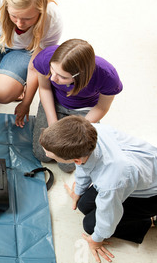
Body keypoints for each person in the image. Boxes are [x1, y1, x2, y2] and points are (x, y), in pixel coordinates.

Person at [39, 115, 157, 263]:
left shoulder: (110, 182)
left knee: (90, 226)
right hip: (135, 174)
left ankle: (151, 220)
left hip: (151, 196)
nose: (45, 154)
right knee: (83, 204)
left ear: (76, 160)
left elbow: (108, 214)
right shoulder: (89, 132)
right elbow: (83, 166)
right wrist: (78, 191)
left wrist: (96, 240)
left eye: (51, 155)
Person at [0, 0, 63, 127]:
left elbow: (35, 66)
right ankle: (7, 76)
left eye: (28, 18)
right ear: (7, 6)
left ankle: (17, 84)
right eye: (14, 16)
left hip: (24, 51)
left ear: (40, 11)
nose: (20, 23)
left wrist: (26, 102)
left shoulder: (52, 18)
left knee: (3, 94)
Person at [32, 39, 123, 172]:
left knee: (67, 164)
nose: (53, 78)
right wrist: (53, 124)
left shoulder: (107, 75)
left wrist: (75, 129)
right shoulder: (45, 57)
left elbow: (101, 107)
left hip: (85, 110)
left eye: (62, 77)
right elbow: (45, 89)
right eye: (52, 70)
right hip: (55, 101)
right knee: (42, 154)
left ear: (81, 75)